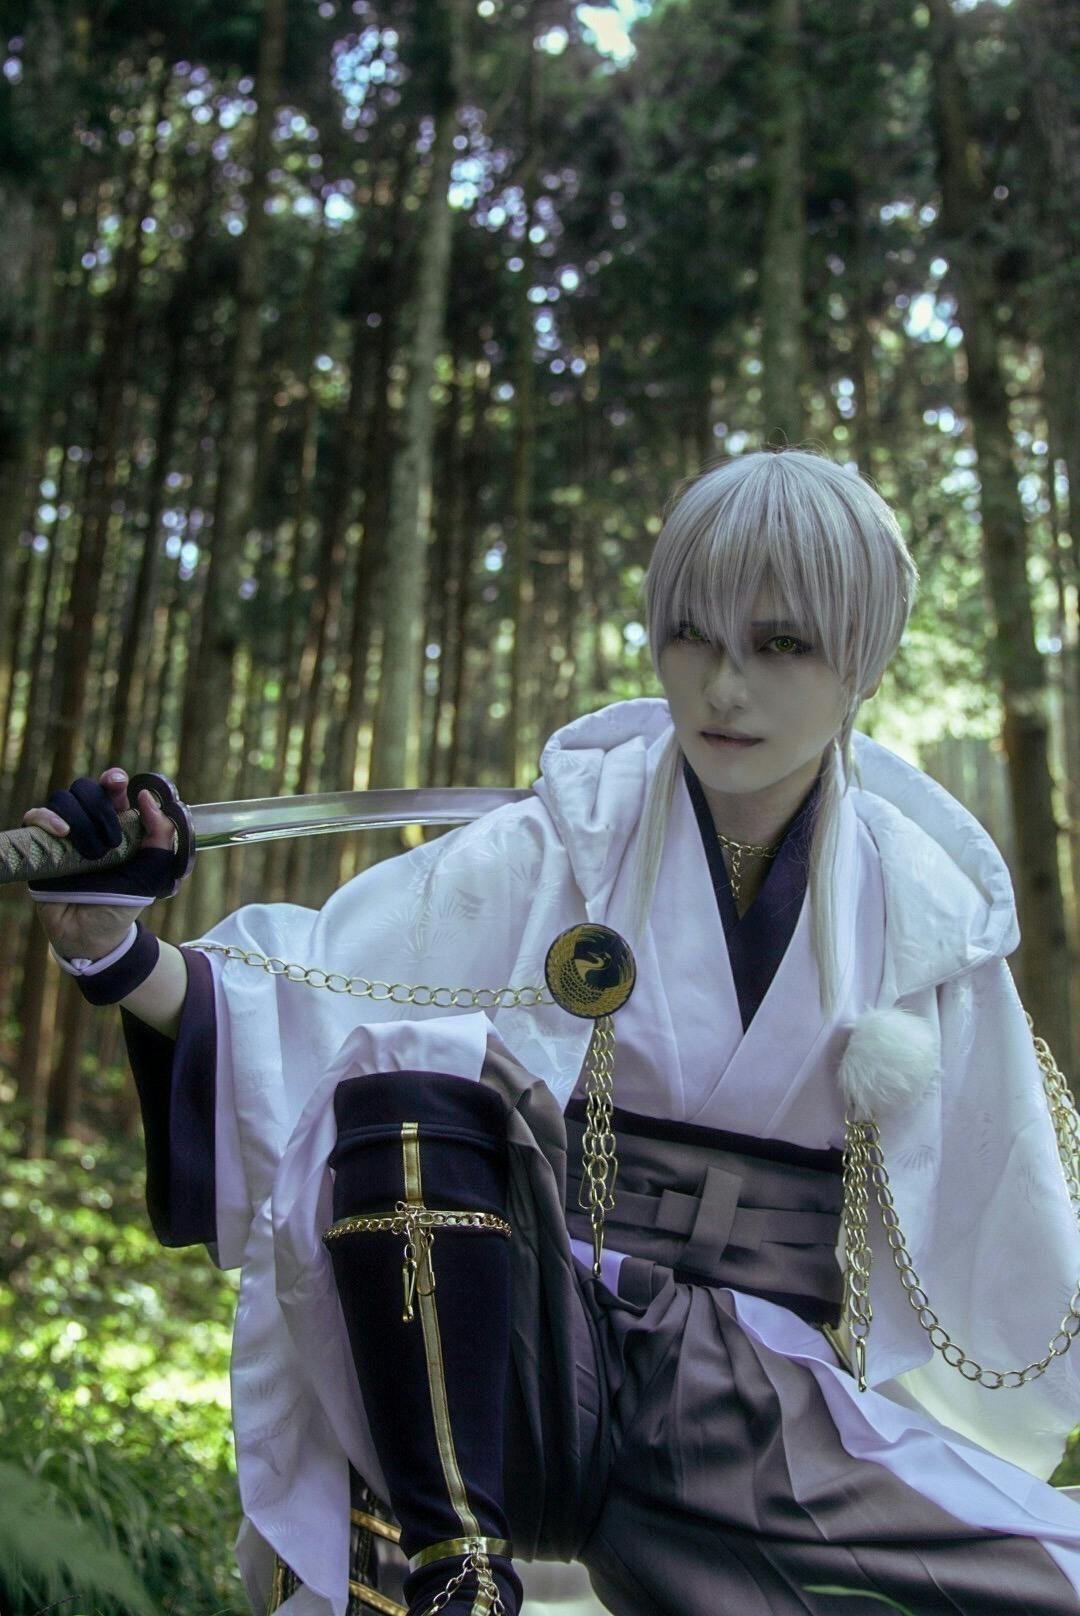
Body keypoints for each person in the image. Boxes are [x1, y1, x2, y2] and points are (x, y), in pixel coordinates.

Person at [24, 445, 1080, 1616]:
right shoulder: (555, 843)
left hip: (762, 1403)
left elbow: (1009, 1222)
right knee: (410, 1081)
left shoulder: (926, 918)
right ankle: (458, 1567)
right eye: (692, 634)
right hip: (534, 1363)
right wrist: (114, 949)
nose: (724, 685)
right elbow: (306, 1007)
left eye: (780, 644)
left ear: (865, 658)